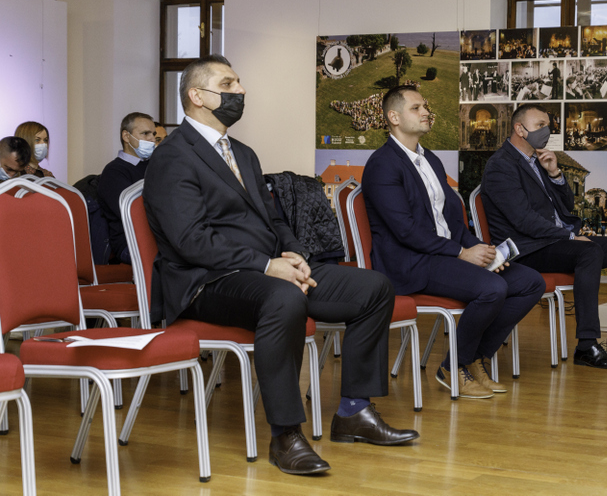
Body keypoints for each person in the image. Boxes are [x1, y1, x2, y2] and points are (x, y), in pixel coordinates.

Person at [143, 54, 417, 476]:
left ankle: (354, 411)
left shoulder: (243, 153)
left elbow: (274, 220)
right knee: (284, 297)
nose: (240, 90)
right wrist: (267, 265)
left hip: (266, 270)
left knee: (373, 288)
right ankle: (286, 435)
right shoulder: (172, 157)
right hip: (207, 281)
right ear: (197, 95)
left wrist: (294, 254)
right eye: (228, 84)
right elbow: (191, 241)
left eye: (238, 82)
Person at [361, 85, 545, 399]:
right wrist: (461, 253)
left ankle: (474, 358)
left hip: (442, 255)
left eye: (425, 106)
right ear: (394, 117)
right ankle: (452, 366)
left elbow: (453, 221)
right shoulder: (382, 164)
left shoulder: (430, 160)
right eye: (416, 108)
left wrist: (484, 251)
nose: (426, 112)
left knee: (530, 282)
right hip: (410, 263)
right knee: (492, 288)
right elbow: (405, 231)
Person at [481, 104, 607, 370]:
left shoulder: (537, 161)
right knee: (589, 251)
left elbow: (567, 206)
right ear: (519, 129)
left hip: (550, 240)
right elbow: (523, 220)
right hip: (526, 248)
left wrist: (555, 173)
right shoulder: (501, 165)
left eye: (547, 125)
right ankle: (587, 345)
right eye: (539, 125)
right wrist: (568, 237)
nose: (546, 131)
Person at [97, 112, 156, 264]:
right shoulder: (114, 172)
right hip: (131, 243)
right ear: (126, 136)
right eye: (145, 133)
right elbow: (133, 213)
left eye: (153, 134)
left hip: (159, 237)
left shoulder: (156, 166)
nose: (152, 139)